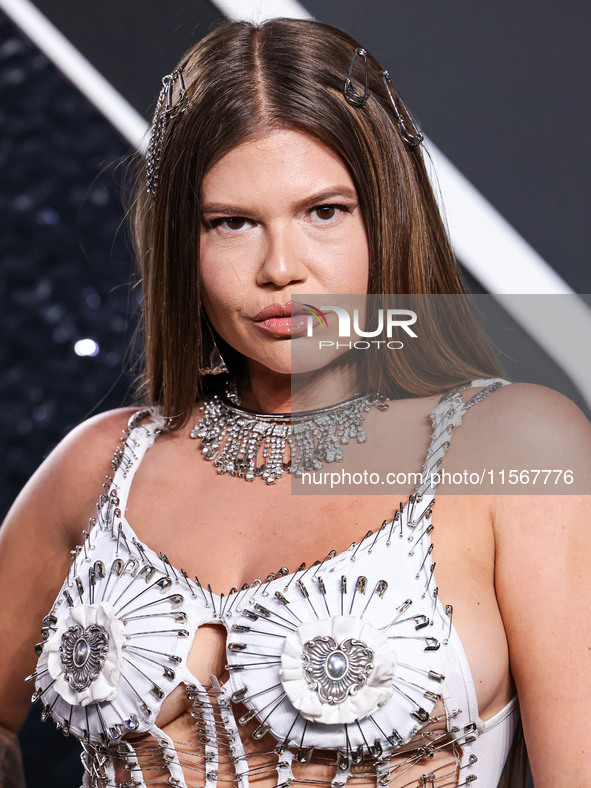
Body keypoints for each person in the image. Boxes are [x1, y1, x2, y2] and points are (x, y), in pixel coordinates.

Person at [0, 17, 589, 788]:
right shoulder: (100, 463)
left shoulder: (514, 446)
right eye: (232, 223)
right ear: (185, 241)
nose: (282, 268)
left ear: (388, 213)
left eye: (324, 212)